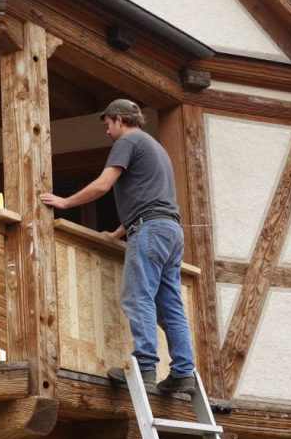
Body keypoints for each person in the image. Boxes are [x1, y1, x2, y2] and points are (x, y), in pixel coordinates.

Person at [39, 99, 195, 394]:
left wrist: (65, 202)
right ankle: (184, 373)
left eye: (108, 125)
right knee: (170, 306)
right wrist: (118, 232)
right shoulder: (155, 147)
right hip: (170, 230)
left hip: (150, 229)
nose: (108, 132)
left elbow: (102, 185)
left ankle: (144, 367)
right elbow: (151, 197)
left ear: (120, 120)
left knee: (138, 297)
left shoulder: (128, 141)